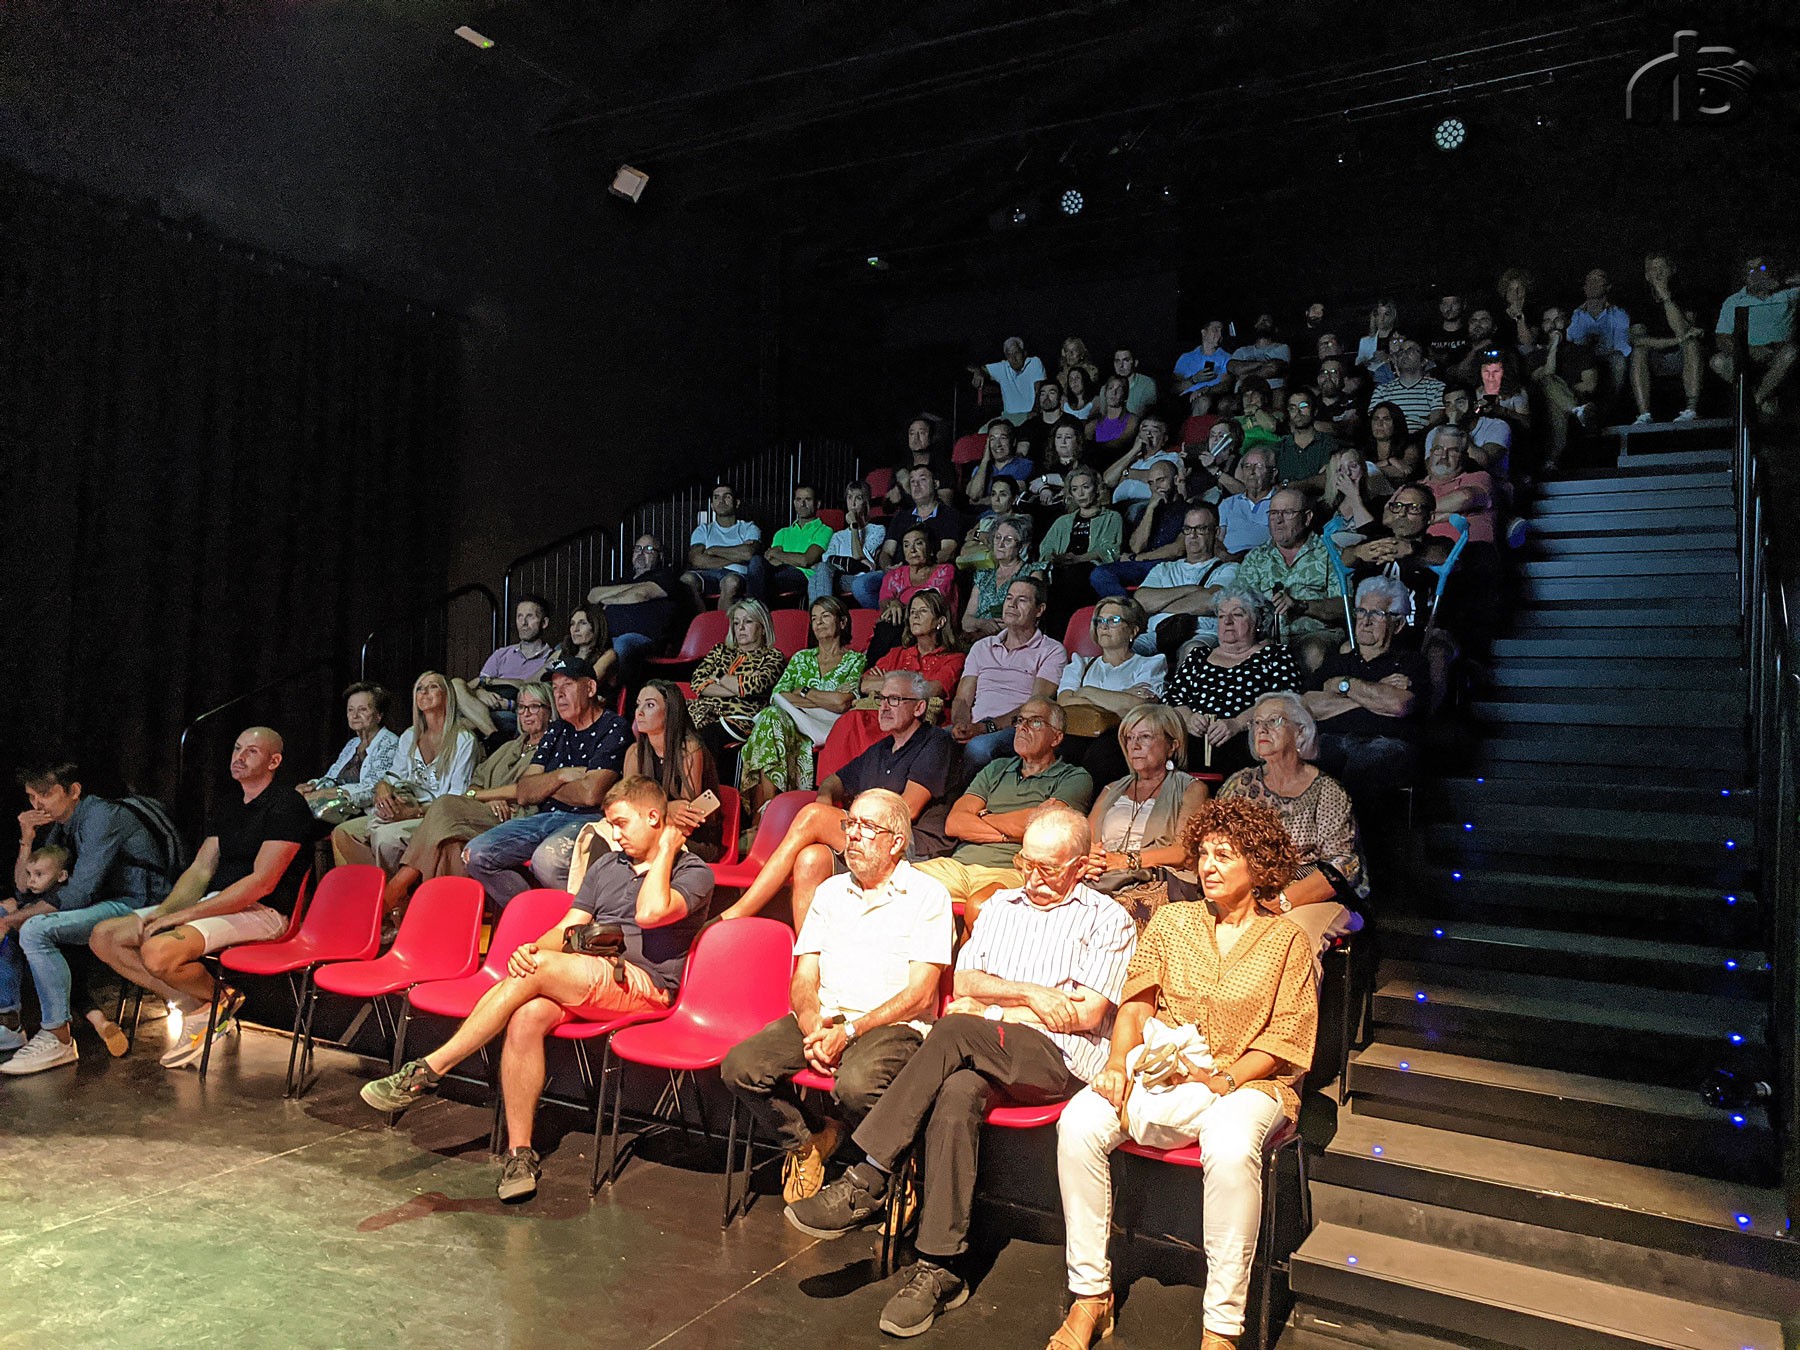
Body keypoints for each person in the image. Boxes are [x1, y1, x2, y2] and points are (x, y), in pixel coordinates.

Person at [783, 806, 1134, 1341]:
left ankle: (869, 1175)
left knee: (953, 1031)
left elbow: (1084, 1013)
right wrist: (1032, 995)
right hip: (986, 1050)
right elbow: (965, 981)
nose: (1033, 878)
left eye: (1048, 869)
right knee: (956, 1091)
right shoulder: (1001, 906)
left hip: (1057, 1059)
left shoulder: (1107, 919)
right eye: (1026, 864)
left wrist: (995, 1010)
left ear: (1081, 865)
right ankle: (940, 1268)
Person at [359, 777, 713, 1203]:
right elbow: (569, 928)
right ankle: (520, 1154)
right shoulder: (607, 867)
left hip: (644, 985)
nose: (615, 834)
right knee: (527, 1015)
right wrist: (530, 950)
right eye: (610, 825)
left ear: (654, 817)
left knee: (540, 968)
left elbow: (650, 912)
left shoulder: (693, 872)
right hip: (589, 975)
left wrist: (668, 849)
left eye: (622, 823)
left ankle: (431, 1068)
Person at [1049, 795, 1316, 1350]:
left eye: (1225, 855)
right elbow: (1137, 1004)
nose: (1209, 867)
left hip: (1250, 1080)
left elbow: (1285, 1036)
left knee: (1231, 1143)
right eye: (1204, 854)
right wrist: (1117, 1065)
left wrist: (1223, 1080)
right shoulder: (1172, 921)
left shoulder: (1287, 939)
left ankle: (1221, 1327)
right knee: (1078, 1123)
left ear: (1259, 865)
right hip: (1165, 1070)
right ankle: (1090, 1296)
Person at [721, 788, 952, 1204]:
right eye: (851, 824)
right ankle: (809, 1139)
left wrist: (850, 1033)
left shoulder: (927, 896)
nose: (853, 835)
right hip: (828, 1018)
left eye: (867, 827)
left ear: (896, 842)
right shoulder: (829, 893)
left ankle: (899, 1169)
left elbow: (920, 996)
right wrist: (812, 1023)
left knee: (857, 1088)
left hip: (891, 1026)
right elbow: (804, 976)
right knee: (741, 1067)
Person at [88, 728, 312, 1071]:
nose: (239, 757)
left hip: (265, 912)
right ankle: (201, 1005)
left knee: (158, 953)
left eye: (251, 751)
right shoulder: (229, 803)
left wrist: (185, 915)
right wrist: (164, 912)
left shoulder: (287, 805)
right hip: (219, 900)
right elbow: (201, 870)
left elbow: (261, 883)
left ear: (274, 761)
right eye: (237, 748)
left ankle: (217, 1002)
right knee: (105, 936)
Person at [720, 671, 960, 929]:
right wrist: (825, 801)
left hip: (911, 846)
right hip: (870, 839)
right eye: (881, 699)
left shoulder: (936, 742)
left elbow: (907, 810)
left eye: (894, 699)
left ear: (919, 708)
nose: (883, 707)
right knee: (810, 859)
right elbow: (833, 781)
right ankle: (807, 950)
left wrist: (827, 819)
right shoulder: (881, 749)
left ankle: (736, 914)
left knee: (813, 816)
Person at [1, 763, 176, 1069]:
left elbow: (77, 894)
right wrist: (26, 840)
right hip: (102, 904)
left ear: (74, 791)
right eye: (31, 796)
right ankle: (9, 1022)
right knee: (7, 911)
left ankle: (58, 1039)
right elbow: (25, 889)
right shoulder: (60, 827)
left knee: (33, 928)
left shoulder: (101, 817)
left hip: (137, 904)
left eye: (45, 794)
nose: (37, 805)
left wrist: (12, 920)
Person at [462, 656, 631, 908]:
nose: (559, 695)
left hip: (590, 820)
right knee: (474, 854)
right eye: (555, 687)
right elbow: (524, 791)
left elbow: (590, 794)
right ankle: (532, 914)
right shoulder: (557, 729)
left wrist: (544, 787)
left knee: (546, 860)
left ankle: (576, 920)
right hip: (545, 817)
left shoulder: (614, 727)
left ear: (590, 688)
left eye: (568, 685)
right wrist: (561, 776)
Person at [378, 683, 553, 914]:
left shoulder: (553, 748)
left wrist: (484, 796)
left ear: (550, 710)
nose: (526, 713)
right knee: (450, 845)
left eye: (534, 707)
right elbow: (476, 781)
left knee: (446, 803)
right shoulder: (510, 747)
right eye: (521, 707)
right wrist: (486, 799)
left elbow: (525, 790)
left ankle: (398, 887)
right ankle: (441, 919)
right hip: (483, 812)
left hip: (514, 818)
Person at [1217, 693, 1367, 957]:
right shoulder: (1240, 784)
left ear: (1301, 732)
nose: (1261, 729)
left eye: (1274, 721)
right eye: (1256, 722)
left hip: (1313, 897)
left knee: (1285, 938)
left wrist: (1281, 901)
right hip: (1248, 891)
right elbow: (1216, 842)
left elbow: (1342, 865)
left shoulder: (1327, 791)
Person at [919, 699, 1094, 920]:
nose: (1022, 727)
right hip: (958, 865)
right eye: (1020, 720)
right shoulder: (996, 768)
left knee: (980, 906)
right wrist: (1013, 833)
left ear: (1056, 738)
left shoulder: (1074, 777)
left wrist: (982, 815)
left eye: (1035, 722)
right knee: (897, 885)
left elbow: (1046, 830)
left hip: (1012, 870)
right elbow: (954, 823)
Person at [331, 672, 480, 872]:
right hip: (406, 806)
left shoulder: (463, 740)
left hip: (437, 817)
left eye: (433, 686)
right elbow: (393, 777)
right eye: (419, 688)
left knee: (385, 838)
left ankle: (394, 889)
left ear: (447, 696)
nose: (424, 692)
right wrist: (383, 788)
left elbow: (455, 799)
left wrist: (413, 812)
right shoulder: (409, 736)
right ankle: (383, 885)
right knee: (344, 833)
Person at [1081, 705, 1209, 931]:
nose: (1134, 745)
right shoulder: (1111, 788)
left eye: (1145, 737)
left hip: (1158, 879)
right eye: (1130, 738)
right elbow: (1086, 843)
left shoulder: (1192, 789)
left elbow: (1183, 852)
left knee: (1116, 911)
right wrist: (1091, 861)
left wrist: (1126, 861)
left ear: (1172, 746)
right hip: (1105, 876)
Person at [1304, 576, 1430, 801]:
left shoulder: (1412, 662)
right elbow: (1309, 706)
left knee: (1364, 766)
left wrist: (1343, 685)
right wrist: (1376, 693)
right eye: (1361, 612)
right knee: (1297, 759)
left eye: (1377, 614)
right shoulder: (1337, 662)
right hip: (1330, 739)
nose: (1366, 621)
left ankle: (1346, 824)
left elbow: (1398, 705)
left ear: (1398, 624)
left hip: (1386, 742)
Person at [818, 592, 965, 781]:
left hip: (920, 719)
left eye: (922, 611)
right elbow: (864, 684)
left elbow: (932, 689)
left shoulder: (953, 658)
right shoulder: (898, 653)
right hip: (882, 711)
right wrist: (904, 683)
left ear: (940, 621)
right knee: (852, 720)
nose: (915, 616)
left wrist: (886, 679)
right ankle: (832, 786)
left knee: (874, 725)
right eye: (912, 612)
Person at [740, 597, 867, 808]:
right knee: (771, 716)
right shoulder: (801, 658)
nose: (819, 623)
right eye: (814, 618)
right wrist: (824, 699)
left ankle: (765, 811)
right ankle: (769, 806)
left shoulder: (856, 660)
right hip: (793, 724)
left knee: (770, 724)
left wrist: (805, 692)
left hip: (831, 726)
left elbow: (842, 703)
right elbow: (778, 695)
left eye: (825, 616)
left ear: (843, 622)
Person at [1165, 584, 1304, 776]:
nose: (1228, 621)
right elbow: (1173, 698)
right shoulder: (1198, 656)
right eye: (1222, 616)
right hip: (1193, 741)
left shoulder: (1275, 656)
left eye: (1237, 615)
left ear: (1257, 620)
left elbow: (1285, 701)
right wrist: (1189, 719)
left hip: (1247, 740)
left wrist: (1237, 723)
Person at [950, 576, 1069, 771]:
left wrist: (986, 727)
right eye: (1008, 598)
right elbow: (962, 698)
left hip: (1017, 728)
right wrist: (961, 724)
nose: (1012, 605)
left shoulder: (1051, 650)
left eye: (1022, 600)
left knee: (979, 748)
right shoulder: (982, 646)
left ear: (1039, 610)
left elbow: (1036, 706)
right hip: (974, 724)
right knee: (932, 740)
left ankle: (968, 791)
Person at [1235, 488, 1346, 668]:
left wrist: (1300, 605)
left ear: (1307, 518)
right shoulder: (1255, 558)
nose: (1278, 520)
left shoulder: (1329, 553)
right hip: (1266, 637)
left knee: (1313, 651)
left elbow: (1345, 606)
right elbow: (1240, 605)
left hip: (1315, 634)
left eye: (1287, 513)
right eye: (1273, 513)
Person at [1055, 598, 1167, 751]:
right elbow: (1064, 703)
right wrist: (1122, 697)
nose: (1104, 626)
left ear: (1133, 631)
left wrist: (1085, 691)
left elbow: (1138, 708)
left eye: (1113, 620)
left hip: (1124, 738)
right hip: (1078, 733)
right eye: (1100, 621)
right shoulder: (1080, 664)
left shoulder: (1149, 665)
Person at [1133, 503, 1239, 656]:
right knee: (1125, 650)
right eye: (1188, 529)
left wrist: (1157, 606)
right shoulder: (1163, 568)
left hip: (1201, 634)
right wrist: (1192, 589)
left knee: (1193, 651)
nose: (1193, 535)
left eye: (1201, 529)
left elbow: (1210, 601)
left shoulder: (1228, 569)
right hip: (1158, 633)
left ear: (1216, 532)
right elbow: (1141, 601)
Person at [452, 595, 556, 738]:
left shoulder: (551, 659)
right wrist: (481, 693)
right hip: (486, 704)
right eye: (519, 617)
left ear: (544, 623)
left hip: (516, 710)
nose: (523, 623)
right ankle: (493, 736)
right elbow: (474, 686)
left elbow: (529, 687)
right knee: (456, 684)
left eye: (530, 617)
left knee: (458, 724)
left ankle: (491, 735)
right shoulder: (501, 654)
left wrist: (488, 682)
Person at [684, 600, 784, 750]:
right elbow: (697, 682)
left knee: (705, 736)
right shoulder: (720, 651)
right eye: (736, 623)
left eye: (748, 622)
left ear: (763, 628)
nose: (741, 628)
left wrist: (718, 677)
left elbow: (752, 687)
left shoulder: (772, 657)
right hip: (705, 711)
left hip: (741, 719)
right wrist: (737, 687)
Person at [296, 683, 399, 823]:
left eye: (362, 709)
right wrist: (312, 786)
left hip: (364, 812)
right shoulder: (353, 744)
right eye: (350, 710)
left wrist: (331, 794)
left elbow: (372, 789)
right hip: (337, 807)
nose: (355, 715)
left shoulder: (390, 742)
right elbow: (332, 777)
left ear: (379, 715)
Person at [1712, 253, 1799, 419]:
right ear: (1744, 277)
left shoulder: (1788, 294)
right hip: (1746, 354)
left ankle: (1755, 400)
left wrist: (1783, 281)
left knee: (1791, 353)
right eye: (1751, 270)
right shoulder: (1733, 301)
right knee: (1718, 362)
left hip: (1777, 352)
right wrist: (1748, 350)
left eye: (1762, 268)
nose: (1757, 273)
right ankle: (1763, 399)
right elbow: (1721, 338)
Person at [1088, 460, 1188, 597]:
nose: (1156, 487)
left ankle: (1128, 606)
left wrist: (1137, 558)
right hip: (1143, 566)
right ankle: (1128, 606)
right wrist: (1150, 509)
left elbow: (1177, 549)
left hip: (1170, 565)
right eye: (1151, 483)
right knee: (1100, 574)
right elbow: (1136, 547)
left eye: (1161, 480)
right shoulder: (1145, 511)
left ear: (1176, 480)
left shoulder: (1189, 510)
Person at [1628, 252, 1705, 425]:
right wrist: (1678, 340)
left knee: (1692, 344)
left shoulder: (1685, 294)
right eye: (1653, 269)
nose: (1658, 273)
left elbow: (1682, 330)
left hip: (1681, 356)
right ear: (1647, 275)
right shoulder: (1639, 300)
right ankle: (1644, 415)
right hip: (1655, 358)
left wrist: (1666, 298)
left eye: (1662, 268)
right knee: (1638, 352)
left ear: (1672, 270)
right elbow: (1639, 340)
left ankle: (1691, 410)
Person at [1039, 465, 1125, 619]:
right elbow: (1046, 548)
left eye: (1086, 487)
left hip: (1090, 569)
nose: (1080, 493)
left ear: (1096, 489)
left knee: (1074, 575)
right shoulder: (1063, 521)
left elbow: (1110, 550)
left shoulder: (1111, 517)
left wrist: (1078, 559)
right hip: (1061, 568)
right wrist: (1054, 558)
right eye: (1075, 489)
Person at [870, 526, 960, 663]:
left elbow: (932, 601)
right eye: (906, 545)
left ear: (930, 549)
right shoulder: (894, 575)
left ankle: (877, 668)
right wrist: (892, 603)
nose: (912, 550)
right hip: (900, 628)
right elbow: (884, 604)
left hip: (935, 629)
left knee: (889, 630)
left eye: (918, 543)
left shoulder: (945, 570)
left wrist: (899, 604)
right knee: (889, 626)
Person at [1531, 306, 1603, 472]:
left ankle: (1552, 460)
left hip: (1573, 398)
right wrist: (1554, 346)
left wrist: (1563, 391)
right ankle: (1576, 410)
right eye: (1547, 321)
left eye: (1557, 319)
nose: (1552, 325)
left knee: (1554, 399)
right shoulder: (1535, 356)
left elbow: (1590, 385)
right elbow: (1545, 375)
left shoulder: (1580, 352)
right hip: (1543, 406)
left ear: (1567, 322)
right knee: (1548, 383)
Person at [872, 466, 963, 592]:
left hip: (929, 574)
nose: (916, 485)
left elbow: (947, 551)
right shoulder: (901, 517)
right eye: (912, 481)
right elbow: (886, 552)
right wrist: (888, 568)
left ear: (936, 484)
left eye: (923, 479)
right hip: (898, 574)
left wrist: (920, 566)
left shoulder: (948, 515)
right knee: (863, 585)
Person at [961, 517, 1047, 642]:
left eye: (1008, 540)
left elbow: (1029, 616)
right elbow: (966, 621)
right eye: (997, 537)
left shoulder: (1032, 572)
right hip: (977, 640)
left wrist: (990, 632)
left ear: (1021, 546)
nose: (1000, 544)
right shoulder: (983, 576)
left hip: (1014, 640)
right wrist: (982, 624)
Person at [746, 483, 834, 606]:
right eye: (799, 499)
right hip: (777, 572)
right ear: (794, 503)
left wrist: (778, 554)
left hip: (802, 575)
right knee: (756, 561)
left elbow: (806, 560)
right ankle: (755, 610)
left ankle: (755, 610)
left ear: (817, 504)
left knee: (761, 581)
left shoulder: (824, 530)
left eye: (808, 499)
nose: (802, 504)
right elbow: (771, 560)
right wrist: (790, 558)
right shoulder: (782, 532)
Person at [810, 480, 887, 604]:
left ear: (866, 502)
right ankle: (823, 613)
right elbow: (827, 560)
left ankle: (823, 612)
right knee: (816, 575)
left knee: (818, 577)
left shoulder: (877, 530)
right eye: (850, 498)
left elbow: (858, 555)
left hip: (861, 579)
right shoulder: (838, 536)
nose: (853, 503)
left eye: (858, 498)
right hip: (838, 578)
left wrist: (854, 526)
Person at [1567, 266, 1632, 400]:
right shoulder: (1577, 315)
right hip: (1583, 361)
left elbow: (1622, 348)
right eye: (1589, 280)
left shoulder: (1618, 314)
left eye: (1598, 279)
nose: (1592, 283)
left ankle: (1614, 402)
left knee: (1618, 359)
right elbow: (1571, 341)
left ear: (1608, 286)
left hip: (1607, 359)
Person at [1100, 416, 1183, 513]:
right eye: (1144, 430)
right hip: (1118, 506)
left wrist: (1127, 473)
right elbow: (1108, 480)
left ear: (1164, 439)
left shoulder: (1171, 458)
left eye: (1154, 431)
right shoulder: (1131, 459)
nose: (1148, 434)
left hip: (1147, 505)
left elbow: (1159, 478)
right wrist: (1133, 451)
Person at [1368, 340, 1445, 435]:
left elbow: (1435, 421)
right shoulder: (1382, 390)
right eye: (1401, 351)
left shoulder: (1437, 387)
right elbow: (1375, 421)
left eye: (1411, 350)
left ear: (1423, 361)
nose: (1404, 354)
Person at [1216, 445, 1278, 560]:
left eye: (1259, 466)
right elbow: (1219, 539)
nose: (1251, 472)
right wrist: (1226, 557)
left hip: (1266, 560)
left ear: (1273, 473)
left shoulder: (1281, 502)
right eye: (1247, 466)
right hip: (1230, 561)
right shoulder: (1228, 504)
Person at [968, 336, 1048, 424]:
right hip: (1008, 417)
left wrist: (1035, 412)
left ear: (1024, 353)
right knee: (983, 430)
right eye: (1009, 355)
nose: (1013, 358)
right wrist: (978, 372)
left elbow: (1040, 390)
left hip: (1030, 415)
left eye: (1016, 353)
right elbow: (974, 368)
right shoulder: (1003, 367)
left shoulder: (1034, 363)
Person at [1270, 386, 1338, 489]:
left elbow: (1328, 480)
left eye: (1303, 406)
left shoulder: (1328, 444)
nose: (1297, 412)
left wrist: (1290, 485)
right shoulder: (1280, 447)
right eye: (1292, 408)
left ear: (1315, 411)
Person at [551, 606, 620, 697]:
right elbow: (537, 680)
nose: (575, 629)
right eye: (572, 624)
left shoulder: (609, 655)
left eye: (583, 623)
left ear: (597, 626)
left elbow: (587, 684)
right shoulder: (561, 653)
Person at [967, 419, 1036, 506]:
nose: (997, 444)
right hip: (981, 514)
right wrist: (985, 460)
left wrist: (981, 502)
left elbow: (1005, 499)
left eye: (1003, 438)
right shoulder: (981, 468)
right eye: (992, 439)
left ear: (1013, 441)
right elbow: (974, 495)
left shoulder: (1024, 465)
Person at [1322, 446, 1381, 546]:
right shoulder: (1323, 507)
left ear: (1363, 469)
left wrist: (1354, 497)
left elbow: (1372, 539)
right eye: (1340, 469)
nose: (1348, 473)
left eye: (1353, 466)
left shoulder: (1378, 504)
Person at [1173, 319, 1232, 406]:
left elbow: (1226, 384)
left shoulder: (1226, 357)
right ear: (1204, 333)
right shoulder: (1186, 358)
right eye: (1215, 330)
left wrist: (1206, 390)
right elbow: (1175, 388)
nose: (1220, 335)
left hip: (1211, 397)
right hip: (1186, 399)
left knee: (1203, 401)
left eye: (1221, 331)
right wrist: (1194, 380)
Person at [1365, 401, 1422, 489]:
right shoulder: (1363, 447)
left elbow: (1403, 471)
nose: (1379, 424)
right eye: (1376, 419)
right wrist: (1388, 462)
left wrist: (1370, 470)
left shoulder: (1410, 447)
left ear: (1396, 423)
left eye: (1386, 419)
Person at [1226, 312, 1292, 389]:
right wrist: (1262, 363)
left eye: (1267, 320)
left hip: (1271, 390)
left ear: (1275, 328)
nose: (1263, 322)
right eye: (1260, 320)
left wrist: (1246, 374)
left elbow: (1273, 369)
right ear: (1255, 326)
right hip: (1244, 391)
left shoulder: (1282, 348)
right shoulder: (1242, 351)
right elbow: (1233, 368)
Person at [1016, 380, 1078, 460]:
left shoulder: (1072, 423)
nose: (1046, 397)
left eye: (1051, 393)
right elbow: (1021, 455)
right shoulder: (1029, 426)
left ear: (1060, 398)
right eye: (1043, 394)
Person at [1085, 375, 1139, 454]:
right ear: (1105, 393)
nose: (1114, 393)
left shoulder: (1132, 420)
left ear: (1125, 395)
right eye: (1110, 388)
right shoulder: (1094, 424)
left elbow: (1120, 443)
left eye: (1119, 389)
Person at [1109, 347, 1158, 417]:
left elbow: (1150, 415)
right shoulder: (1107, 386)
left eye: (1126, 360)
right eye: (1117, 361)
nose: (1121, 365)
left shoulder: (1147, 384)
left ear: (1135, 363)